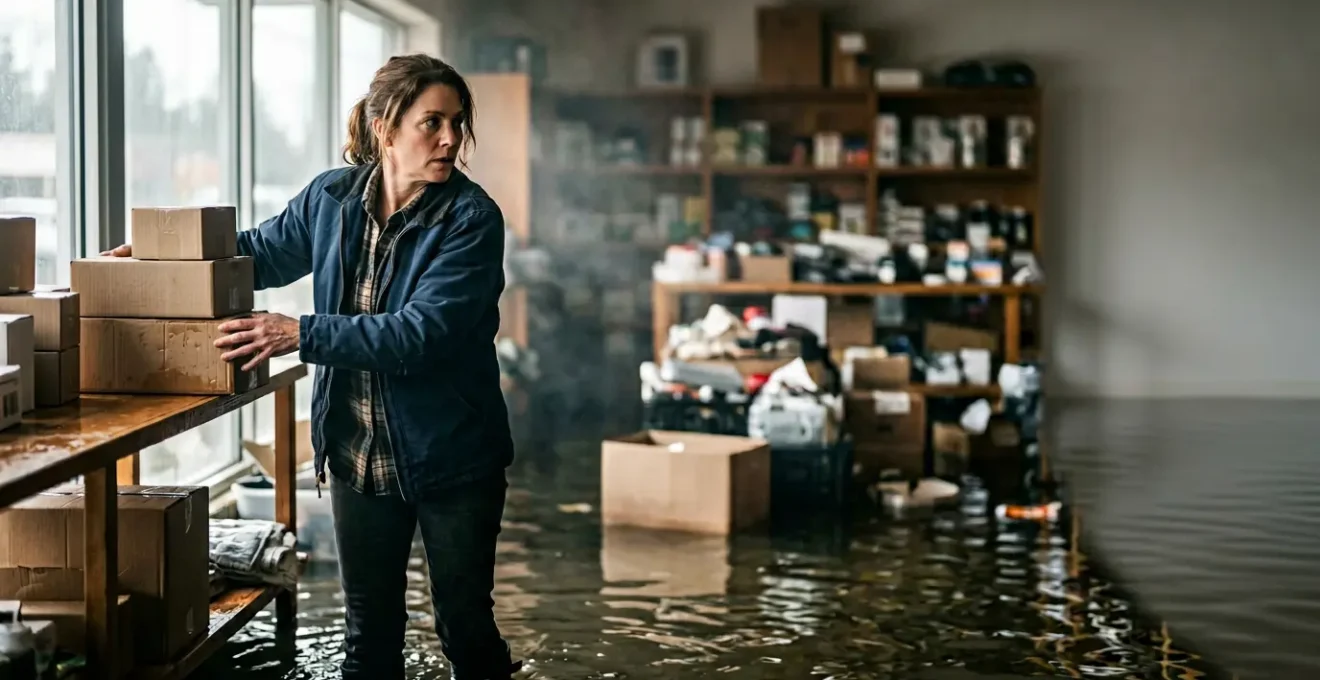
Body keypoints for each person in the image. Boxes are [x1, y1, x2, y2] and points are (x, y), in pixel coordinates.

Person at [103, 54, 519, 680]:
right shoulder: (332, 197)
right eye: (432, 122)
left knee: (464, 627)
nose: (451, 139)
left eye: (457, 123)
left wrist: (299, 332)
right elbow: (259, 254)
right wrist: (164, 256)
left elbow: (420, 335)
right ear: (386, 126)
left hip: (452, 458)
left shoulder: (470, 219)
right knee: (368, 634)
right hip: (357, 455)